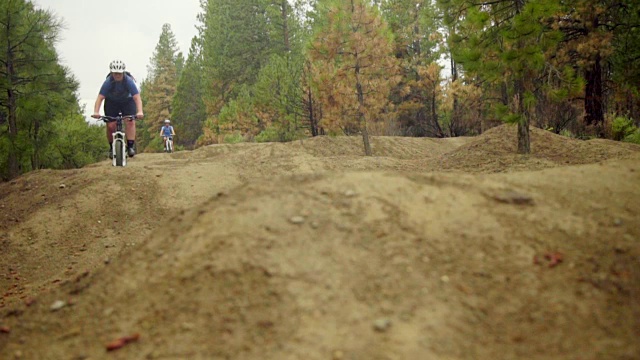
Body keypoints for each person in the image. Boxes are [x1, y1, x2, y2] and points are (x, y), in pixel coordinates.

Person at [91, 60, 144, 157]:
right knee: (111, 125)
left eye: (119, 73)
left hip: (127, 101)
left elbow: (137, 97)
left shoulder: (128, 81)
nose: (117, 76)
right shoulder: (108, 82)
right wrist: (96, 111)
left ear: (123, 72)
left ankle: (130, 146)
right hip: (112, 102)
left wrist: (140, 111)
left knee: (130, 121)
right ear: (111, 73)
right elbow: (100, 98)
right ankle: (111, 147)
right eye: (115, 73)